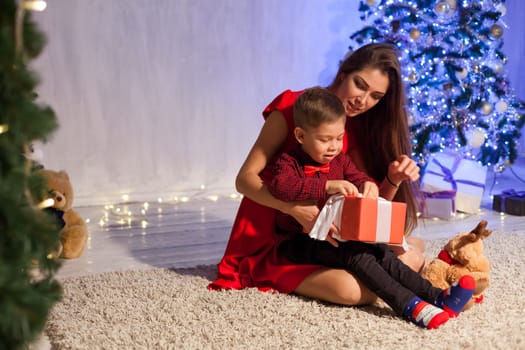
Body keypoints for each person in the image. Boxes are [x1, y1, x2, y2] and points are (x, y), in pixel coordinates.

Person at [208, 43, 424, 307]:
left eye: (376, 96)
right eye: (360, 84)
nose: (363, 100)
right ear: (344, 72)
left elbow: (362, 201)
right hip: (273, 238)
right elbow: (244, 179)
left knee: (396, 252)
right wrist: (292, 209)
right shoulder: (292, 107)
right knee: (352, 291)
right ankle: (406, 276)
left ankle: (407, 272)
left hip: (324, 238)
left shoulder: (349, 130)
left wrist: (391, 180)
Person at [266, 87, 474, 329]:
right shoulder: (288, 162)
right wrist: (327, 185)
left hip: (338, 237)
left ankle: (438, 296)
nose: (333, 146)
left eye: (338, 138)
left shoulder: (340, 160)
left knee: (381, 252)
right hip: (300, 241)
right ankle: (409, 305)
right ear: (301, 136)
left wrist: (368, 185)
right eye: (325, 140)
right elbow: (281, 187)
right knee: (358, 256)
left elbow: (360, 178)